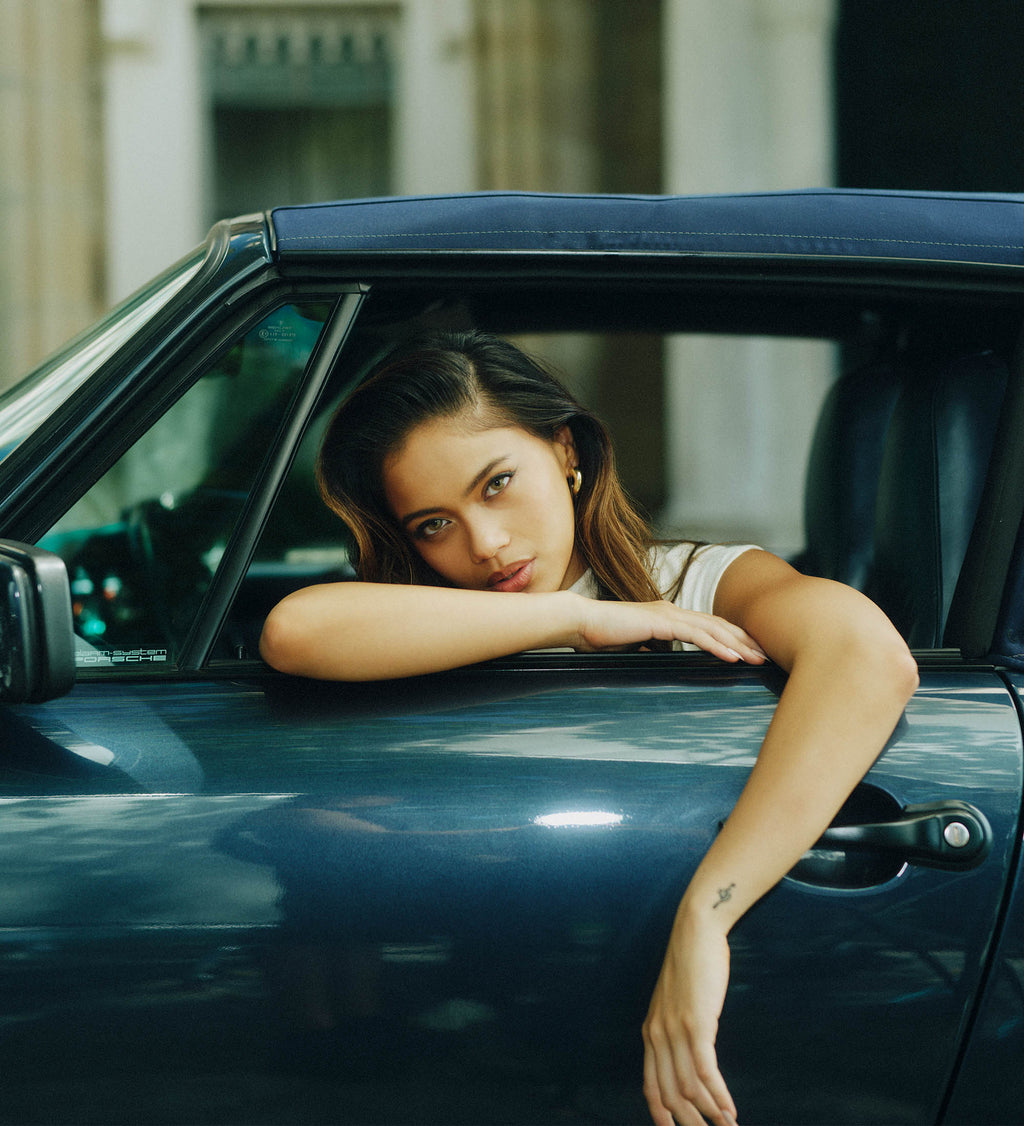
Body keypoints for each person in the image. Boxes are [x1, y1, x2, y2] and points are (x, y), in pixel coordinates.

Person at [260, 330, 918, 1126]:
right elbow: (293, 631)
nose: (485, 543)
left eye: (498, 483)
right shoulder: (422, 616)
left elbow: (867, 655)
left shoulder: (692, 584)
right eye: (434, 524)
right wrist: (575, 617)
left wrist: (707, 917)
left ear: (565, 450)